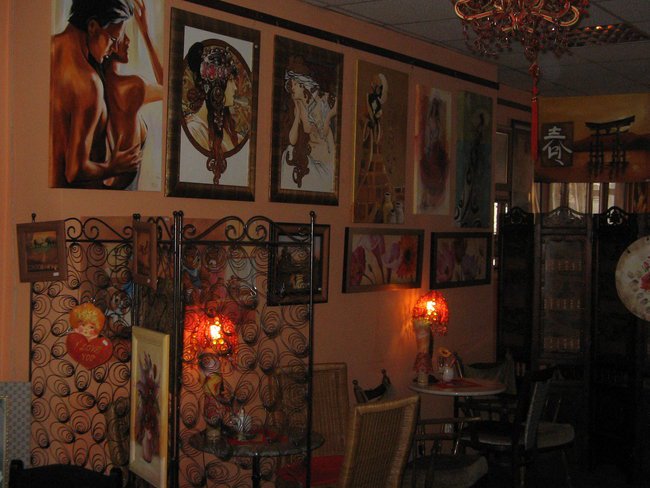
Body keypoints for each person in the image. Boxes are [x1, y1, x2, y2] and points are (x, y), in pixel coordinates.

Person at [50, 0, 142, 189]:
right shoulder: (88, 83)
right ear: (92, 27)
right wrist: (113, 167)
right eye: (113, 39)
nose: (114, 48)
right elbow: (74, 170)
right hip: (71, 198)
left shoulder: (48, 49)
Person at [102, 0, 163, 189]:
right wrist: (146, 34)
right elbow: (170, 89)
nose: (128, 40)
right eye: (122, 35)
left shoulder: (100, 85)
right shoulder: (132, 88)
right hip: (123, 194)